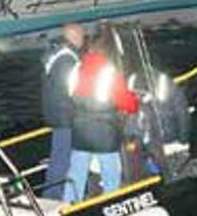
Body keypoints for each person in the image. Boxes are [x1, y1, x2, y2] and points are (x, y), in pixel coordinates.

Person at [64, 34, 140, 203]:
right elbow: (126, 102)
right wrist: (135, 102)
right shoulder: (109, 72)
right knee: (110, 171)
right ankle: (111, 203)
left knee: (76, 171)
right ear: (108, 51)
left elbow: (69, 95)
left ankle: (68, 204)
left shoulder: (76, 68)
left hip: (80, 127)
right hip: (105, 130)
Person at [40, 23, 84, 200]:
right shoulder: (68, 60)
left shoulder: (56, 55)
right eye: (81, 35)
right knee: (63, 158)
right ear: (73, 36)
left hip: (55, 113)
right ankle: (54, 196)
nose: (83, 39)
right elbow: (72, 90)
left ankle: (54, 192)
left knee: (59, 155)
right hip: (66, 116)